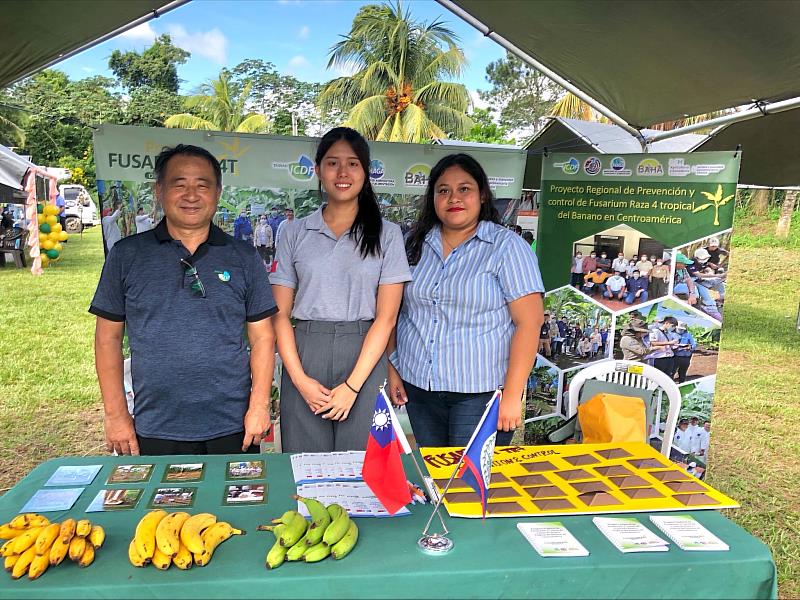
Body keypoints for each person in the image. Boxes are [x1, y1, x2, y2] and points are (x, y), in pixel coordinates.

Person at [90, 144, 277, 455]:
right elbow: (107, 339)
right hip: (155, 424)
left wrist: (259, 406)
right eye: (180, 184)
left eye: (202, 185)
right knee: (163, 505)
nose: (191, 195)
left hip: (233, 425)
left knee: (231, 504)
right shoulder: (127, 255)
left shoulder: (243, 257)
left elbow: (262, 337)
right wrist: (116, 415)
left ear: (217, 192)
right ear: (160, 191)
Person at [388, 152, 544, 447]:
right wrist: (393, 367)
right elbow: (394, 312)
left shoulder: (506, 247)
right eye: (443, 190)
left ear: (482, 195)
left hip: (480, 396)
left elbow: (530, 322)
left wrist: (512, 396)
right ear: (432, 198)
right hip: (419, 388)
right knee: (436, 477)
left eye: (464, 189)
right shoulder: (413, 244)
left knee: (467, 487)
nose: (453, 198)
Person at [271, 127, 411, 452]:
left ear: (366, 171)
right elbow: (279, 315)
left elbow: (386, 319)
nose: (343, 172)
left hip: (364, 355)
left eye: (353, 163)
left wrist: (352, 386)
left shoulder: (388, 235)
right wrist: (300, 380)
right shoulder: (293, 233)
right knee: (305, 466)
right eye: (333, 163)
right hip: (305, 353)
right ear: (318, 170)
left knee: (362, 468)